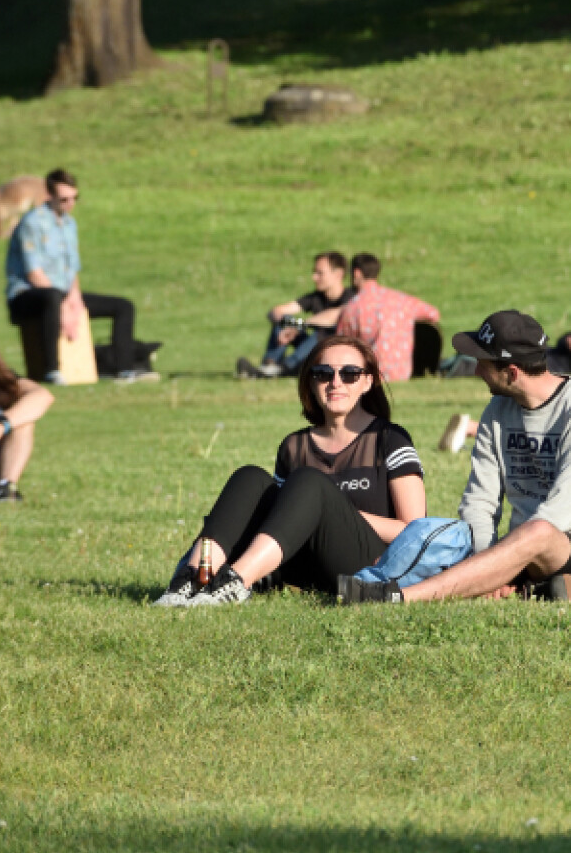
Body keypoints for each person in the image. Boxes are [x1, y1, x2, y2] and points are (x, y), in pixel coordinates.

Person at [337, 311, 571, 603]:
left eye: (482, 364)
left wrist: (504, 570)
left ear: (512, 373)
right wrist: (487, 561)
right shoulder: (497, 410)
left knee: (539, 531)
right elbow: (479, 500)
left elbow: (562, 512)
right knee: (443, 534)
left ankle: (398, 597)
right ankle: (552, 586)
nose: (476, 371)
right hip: (520, 550)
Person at [153, 335, 427, 606]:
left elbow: (416, 532)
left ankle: (234, 583)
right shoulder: (294, 446)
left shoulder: (390, 439)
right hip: (304, 566)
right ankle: (191, 580)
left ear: (367, 381)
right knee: (249, 477)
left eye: (350, 374)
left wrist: (328, 510)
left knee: (310, 483)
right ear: (311, 381)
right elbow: (279, 523)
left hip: (370, 565)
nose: (335, 382)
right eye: (323, 373)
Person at [4, 169, 155, 383]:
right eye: (64, 199)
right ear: (49, 195)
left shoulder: (69, 224)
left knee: (123, 306)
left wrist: (74, 298)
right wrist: (63, 305)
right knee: (52, 297)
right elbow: (34, 274)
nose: (70, 204)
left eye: (74, 198)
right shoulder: (32, 223)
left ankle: (124, 369)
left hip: (61, 295)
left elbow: (71, 270)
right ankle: (52, 370)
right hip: (27, 296)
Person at [237, 251, 354, 379]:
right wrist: (287, 325)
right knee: (285, 320)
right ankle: (270, 364)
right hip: (313, 351)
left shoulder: (352, 298)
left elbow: (335, 316)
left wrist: (300, 326)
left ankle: (285, 367)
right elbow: (275, 312)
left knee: (322, 334)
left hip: (336, 353)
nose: (314, 277)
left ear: (338, 274)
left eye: (320, 273)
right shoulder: (316, 297)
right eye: (314, 272)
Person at [332, 253, 440, 383]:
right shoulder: (400, 300)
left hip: (371, 375)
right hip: (402, 373)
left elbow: (341, 344)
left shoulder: (353, 307)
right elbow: (433, 314)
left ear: (356, 273)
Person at [0, 342, 54, 503]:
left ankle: (5, 488)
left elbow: (42, 396)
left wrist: (1, 424)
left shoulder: (2, 381)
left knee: (22, 422)